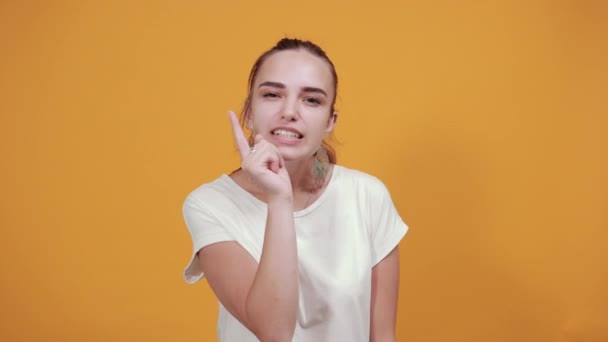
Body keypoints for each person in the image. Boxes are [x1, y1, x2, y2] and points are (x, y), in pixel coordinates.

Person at [182, 38, 409, 342]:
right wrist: (279, 198)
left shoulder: (368, 197)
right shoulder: (211, 204)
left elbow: (382, 336)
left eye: (312, 100)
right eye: (272, 94)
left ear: (330, 121)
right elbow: (274, 332)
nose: (289, 111)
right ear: (249, 112)